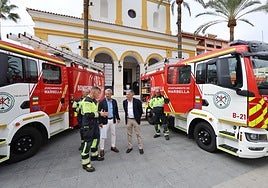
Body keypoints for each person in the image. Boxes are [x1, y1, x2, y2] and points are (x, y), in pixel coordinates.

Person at [80, 86, 108, 172]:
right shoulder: (87, 101)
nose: (99, 95)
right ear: (93, 92)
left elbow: (94, 112)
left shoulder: (94, 101)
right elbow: (88, 115)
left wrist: (100, 114)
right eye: (98, 93)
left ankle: (94, 156)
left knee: (95, 140)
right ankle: (85, 163)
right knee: (87, 143)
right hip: (88, 126)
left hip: (94, 125)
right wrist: (100, 114)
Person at [98, 89, 120, 159]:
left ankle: (113, 146)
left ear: (111, 94)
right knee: (103, 135)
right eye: (106, 94)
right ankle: (102, 149)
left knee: (113, 134)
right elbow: (99, 113)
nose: (107, 95)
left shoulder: (114, 101)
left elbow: (116, 110)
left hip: (112, 120)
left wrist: (118, 118)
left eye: (108, 94)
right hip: (105, 121)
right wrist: (100, 122)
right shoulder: (102, 102)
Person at [123, 90, 144, 154]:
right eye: (126, 94)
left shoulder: (137, 101)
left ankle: (140, 147)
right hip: (128, 119)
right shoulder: (124, 102)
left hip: (135, 120)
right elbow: (125, 110)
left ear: (132, 95)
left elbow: (140, 111)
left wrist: (138, 117)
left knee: (138, 134)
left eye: (128, 94)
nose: (127, 95)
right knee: (129, 134)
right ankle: (130, 147)